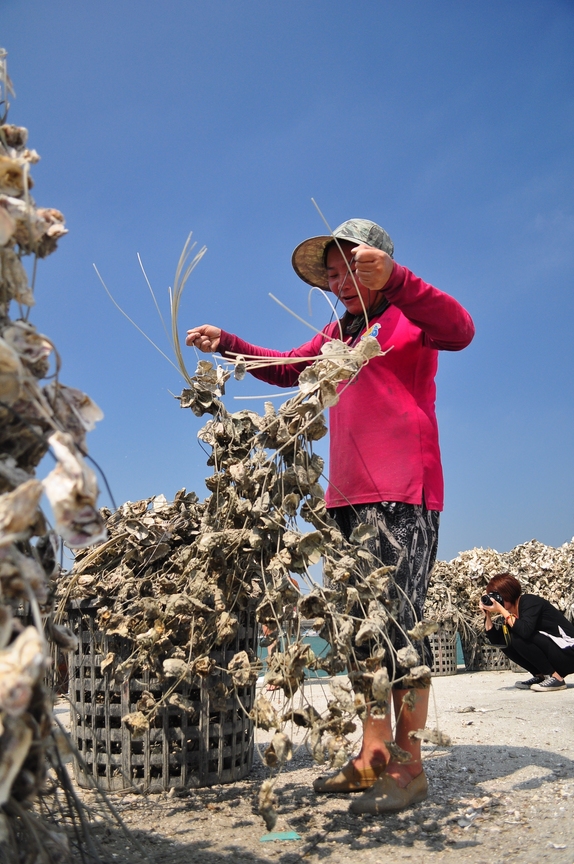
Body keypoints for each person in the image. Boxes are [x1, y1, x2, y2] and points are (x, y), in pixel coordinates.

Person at [186, 218, 475, 813]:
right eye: (332, 271)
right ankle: (371, 755)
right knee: (356, 632)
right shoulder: (336, 334)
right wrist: (229, 343)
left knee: (399, 630)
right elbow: (289, 367)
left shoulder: (410, 315)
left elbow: (461, 328)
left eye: (352, 266)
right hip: (343, 498)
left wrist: (398, 280)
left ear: (379, 265)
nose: (340, 279)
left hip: (402, 493)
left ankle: (409, 765)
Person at [480, 572, 574, 691]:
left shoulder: (528, 601)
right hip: (558, 652)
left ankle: (556, 678)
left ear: (507, 595)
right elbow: (497, 641)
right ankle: (541, 676)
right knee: (507, 641)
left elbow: (525, 631)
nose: (494, 600)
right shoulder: (511, 614)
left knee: (517, 636)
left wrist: (502, 610)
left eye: (496, 596)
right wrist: (487, 614)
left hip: (569, 651)